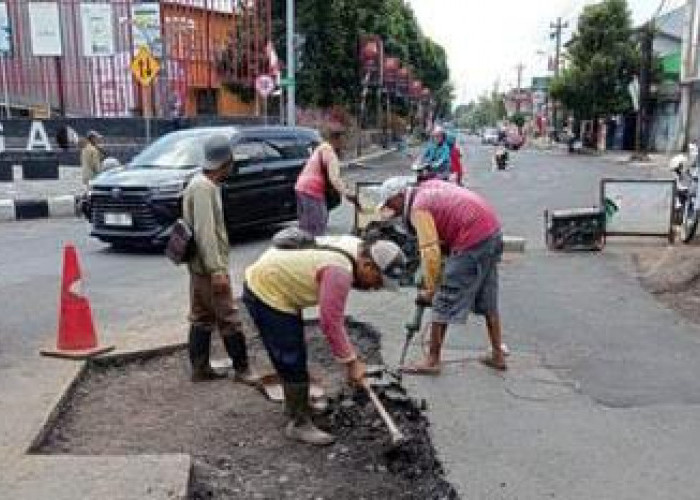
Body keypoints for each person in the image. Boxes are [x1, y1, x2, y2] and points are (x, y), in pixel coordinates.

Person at [243, 235, 406, 445]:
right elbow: (330, 323)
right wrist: (352, 363)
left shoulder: (356, 247)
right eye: (378, 281)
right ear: (367, 265)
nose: (376, 288)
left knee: (293, 349)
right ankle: (298, 423)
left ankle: (298, 404)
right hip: (267, 290)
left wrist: (350, 362)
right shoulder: (340, 272)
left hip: (279, 280)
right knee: (290, 356)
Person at [376, 176, 507, 374]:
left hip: (471, 237)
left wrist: (431, 289)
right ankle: (497, 354)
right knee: (487, 295)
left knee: (443, 297)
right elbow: (442, 238)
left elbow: (430, 253)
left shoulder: (418, 208)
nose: (390, 209)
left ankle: (432, 360)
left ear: (400, 196)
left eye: (390, 203)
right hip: (490, 232)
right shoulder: (428, 189)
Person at [182, 134, 256, 383]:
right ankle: (243, 369)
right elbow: (206, 233)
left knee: (202, 316)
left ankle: (200, 369)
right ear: (226, 163)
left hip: (198, 267)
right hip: (208, 267)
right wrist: (217, 270)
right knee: (229, 317)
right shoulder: (204, 188)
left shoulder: (198, 183)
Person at [295, 126, 358, 236]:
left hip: (301, 188)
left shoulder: (321, 148)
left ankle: (304, 249)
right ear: (336, 139)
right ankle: (314, 250)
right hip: (312, 191)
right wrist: (348, 194)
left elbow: (327, 169)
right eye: (343, 140)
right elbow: (335, 179)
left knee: (305, 226)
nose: (344, 144)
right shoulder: (330, 152)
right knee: (317, 226)